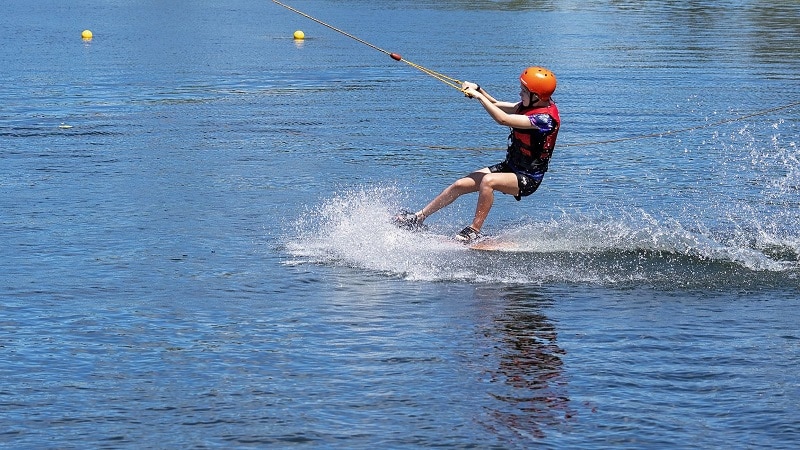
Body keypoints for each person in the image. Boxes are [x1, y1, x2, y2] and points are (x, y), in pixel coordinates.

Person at [394, 66, 561, 243]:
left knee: (488, 181)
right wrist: (478, 90)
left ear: (536, 96)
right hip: (510, 167)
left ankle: (474, 231)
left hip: (528, 177)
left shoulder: (545, 119)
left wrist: (479, 96)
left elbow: (503, 119)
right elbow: (496, 105)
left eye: (523, 91)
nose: (520, 94)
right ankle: (418, 218)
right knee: (460, 184)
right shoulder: (528, 105)